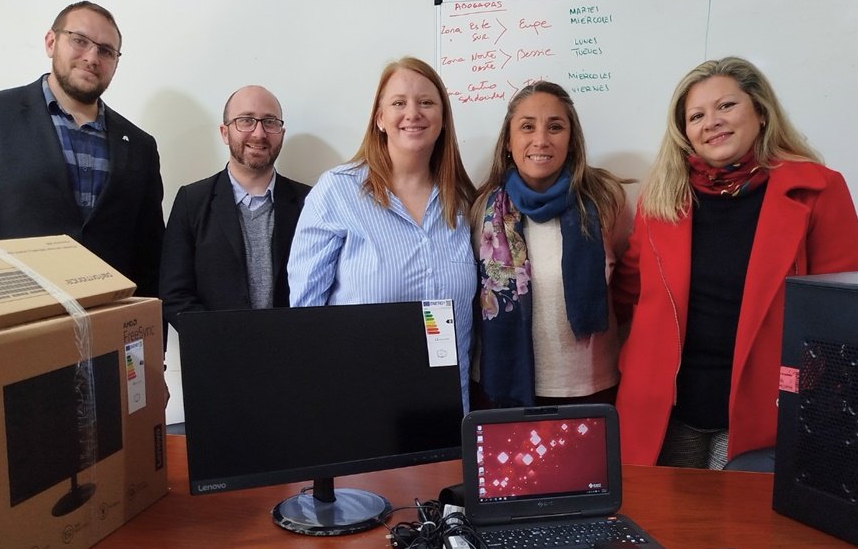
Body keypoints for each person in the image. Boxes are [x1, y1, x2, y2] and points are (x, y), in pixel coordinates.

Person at [612, 56, 858, 469]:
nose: (711, 122)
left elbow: (845, 309)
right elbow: (628, 289)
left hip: (762, 407)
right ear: (685, 133)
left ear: (761, 112)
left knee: (736, 511)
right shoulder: (661, 198)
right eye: (696, 116)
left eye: (726, 106)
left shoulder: (817, 190)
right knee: (660, 510)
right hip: (664, 405)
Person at [0, 1, 164, 297]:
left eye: (106, 51)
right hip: (11, 311)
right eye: (80, 41)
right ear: (51, 42)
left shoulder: (140, 146)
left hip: (107, 317)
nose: (92, 57)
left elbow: (149, 253)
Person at [288, 57, 476, 412]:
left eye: (426, 102)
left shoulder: (464, 201)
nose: (413, 113)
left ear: (443, 118)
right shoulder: (337, 192)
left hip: (448, 409)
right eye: (399, 102)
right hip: (361, 409)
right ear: (380, 118)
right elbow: (305, 319)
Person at [473, 81, 632, 409]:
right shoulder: (481, 210)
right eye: (527, 127)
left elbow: (631, 290)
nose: (541, 140)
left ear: (572, 141)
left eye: (555, 127)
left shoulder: (606, 201)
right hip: (500, 392)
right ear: (508, 141)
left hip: (590, 392)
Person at [160, 86, 309, 329]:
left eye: (269, 122)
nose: (259, 133)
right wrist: (222, 341)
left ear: (281, 133)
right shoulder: (192, 201)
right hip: (216, 349)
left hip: (293, 348)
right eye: (246, 120)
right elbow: (175, 295)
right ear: (225, 132)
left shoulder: (309, 202)